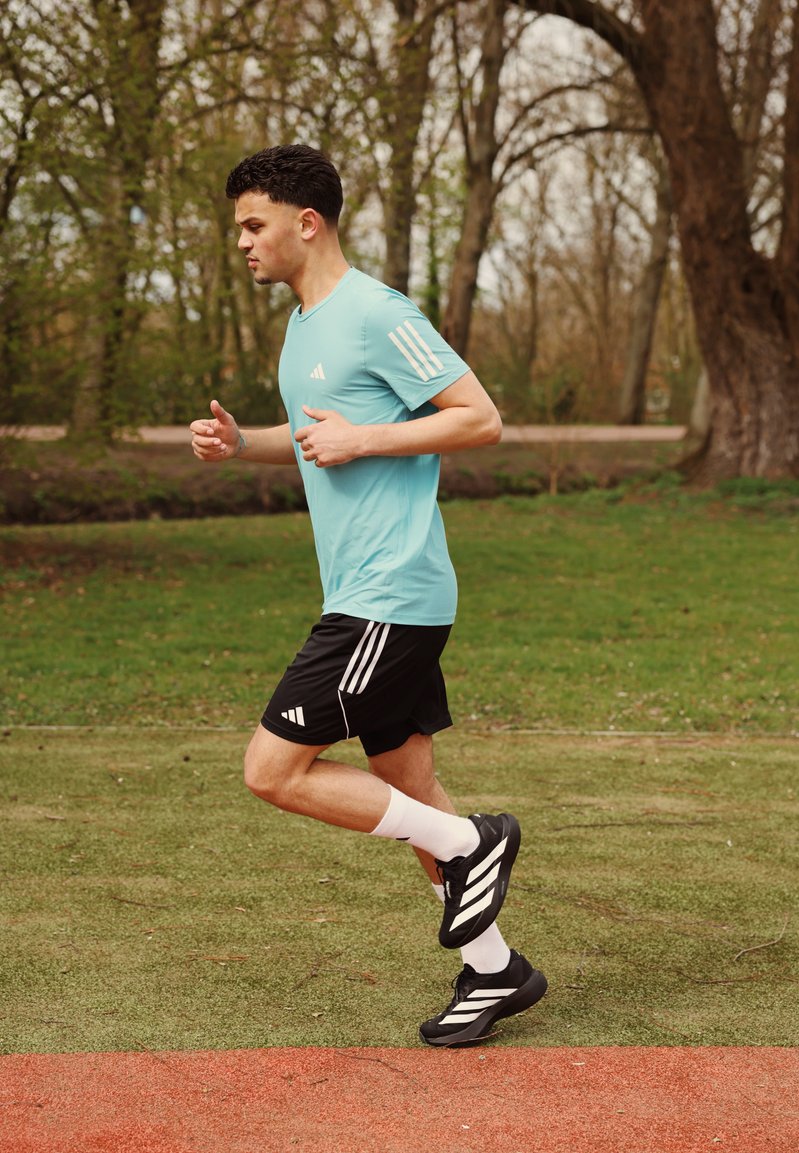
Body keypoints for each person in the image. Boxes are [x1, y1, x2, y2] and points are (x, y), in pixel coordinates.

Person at [189, 144, 546, 1046]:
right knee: (406, 781)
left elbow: (481, 417)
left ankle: (475, 841)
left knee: (272, 771)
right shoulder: (306, 323)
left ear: (307, 223)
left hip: (390, 596)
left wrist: (369, 441)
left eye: (253, 224)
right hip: (367, 591)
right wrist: (243, 445)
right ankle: (497, 968)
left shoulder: (376, 312)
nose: (244, 242)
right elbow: (319, 436)